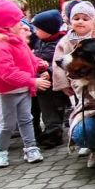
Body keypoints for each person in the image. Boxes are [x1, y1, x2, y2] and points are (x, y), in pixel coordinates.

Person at [0, 0, 51, 168]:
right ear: (7, 23)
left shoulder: (15, 40)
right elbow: (7, 73)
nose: (21, 24)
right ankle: (0, 152)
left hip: (23, 89)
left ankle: (31, 147)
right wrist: (32, 80)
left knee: (26, 119)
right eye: (16, 21)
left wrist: (38, 64)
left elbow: (26, 57)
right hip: (6, 92)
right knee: (7, 124)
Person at [31, 9, 68, 149]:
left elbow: (60, 61)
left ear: (48, 29)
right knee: (41, 108)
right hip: (40, 83)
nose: (35, 31)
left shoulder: (60, 43)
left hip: (53, 84)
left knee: (52, 110)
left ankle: (54, 133)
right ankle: (45, 132)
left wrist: (50, 71)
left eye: (38, 29)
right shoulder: (39, 42)